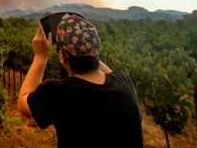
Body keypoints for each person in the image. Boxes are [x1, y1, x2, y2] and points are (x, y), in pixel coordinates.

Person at [17, 13, 143, 147]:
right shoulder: (124, 83)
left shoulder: (57, 93)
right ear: (96, 51)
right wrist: (86, 47)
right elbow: (111, 74)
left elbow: (22, 102)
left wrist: (40, 56)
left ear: (62, 57)